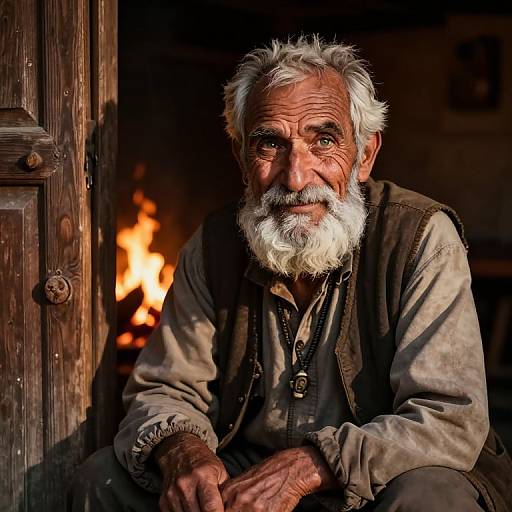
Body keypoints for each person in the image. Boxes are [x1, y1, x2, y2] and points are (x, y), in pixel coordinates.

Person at [70, 36, 512, 512]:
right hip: (248, 471)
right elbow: (163, 387)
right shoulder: (216, 245)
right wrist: (182, 450)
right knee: (105, 479)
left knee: (432, 498)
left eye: (324, 140)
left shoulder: (420, 237)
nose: (296, 176)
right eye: (270, 144)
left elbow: (448, 418)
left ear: (364, 155)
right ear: (242, 158)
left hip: (375, 480)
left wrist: (308, 466)